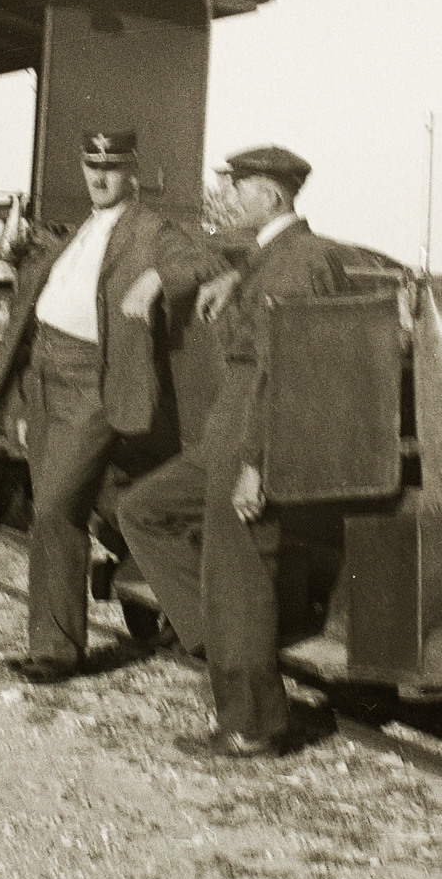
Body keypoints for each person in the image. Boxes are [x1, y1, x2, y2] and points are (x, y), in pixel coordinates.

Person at [118, 144, 352, 756]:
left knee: (241, 582)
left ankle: (253, 726)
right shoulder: (272, 257)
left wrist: (257, 464)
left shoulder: (300, 261)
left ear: (271, 195)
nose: (230, 195)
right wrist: (231, 278)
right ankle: (217, 641)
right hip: (229, 428)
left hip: (254, 436)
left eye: (240, 186)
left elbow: (292, 376)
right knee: (143, 510)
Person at [0, 128, 221, 683]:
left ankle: (59, 650)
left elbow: (206, 265)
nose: (99, 176)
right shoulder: (83, 227)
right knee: (65, 504)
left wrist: (159, 277)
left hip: (93, 380)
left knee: (55, 509)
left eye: (111, 167)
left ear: (132, 172)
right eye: (91, 165)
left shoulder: (150, 227)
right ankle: (171, 616)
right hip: (44, 374)